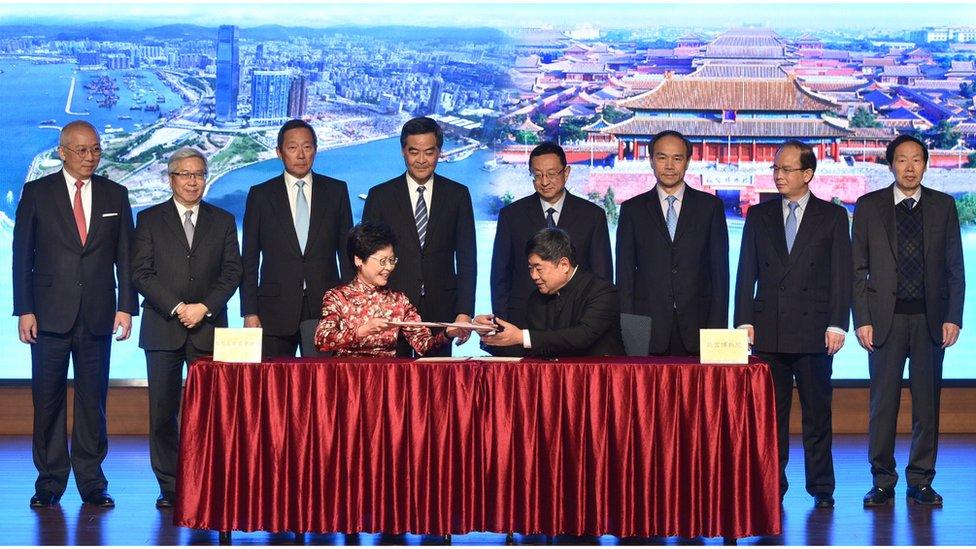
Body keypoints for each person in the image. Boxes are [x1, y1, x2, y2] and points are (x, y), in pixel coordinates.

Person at [13, 120, 139, 508]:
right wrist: (25, 309)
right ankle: (49, 482)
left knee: (92, 402)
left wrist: (126, 307)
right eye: (82, 150)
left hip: (99, 314)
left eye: (96, 149)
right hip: (48, 316)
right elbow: (22, 256)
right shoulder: (36, 193)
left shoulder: (116, 195)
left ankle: (92, 482)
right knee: (47, 400)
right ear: (62, 151)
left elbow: (125, 258)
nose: (90, 157)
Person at [733, 140, 852, 509]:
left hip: (816, 331)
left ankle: (822, 488)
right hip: (767, 330)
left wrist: (838, 323)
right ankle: (772, 484)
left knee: (818, 416)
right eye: (775, 169)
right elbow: (745, 272)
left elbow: (841, 276)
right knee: (771, 417)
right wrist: (742, 321)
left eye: (786, 170)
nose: (778, 175)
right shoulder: (758, 215)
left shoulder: (831, 217)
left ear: (807, 174)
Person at [853, 135, 964, 508]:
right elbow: (858, 270)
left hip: (930, 320)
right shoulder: (869, 207)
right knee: (882, 404)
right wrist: (861, 320)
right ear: (891, 165)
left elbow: (955, 268)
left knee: (926, 405)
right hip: (884, 320)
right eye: (902, 160)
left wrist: (954, 317)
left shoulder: (944, 206)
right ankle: (882, 481)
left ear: (926, 164)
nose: (910, 167)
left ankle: (921, 480)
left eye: (917, 160)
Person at [131, 148, 242, 508]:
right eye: (185, 174)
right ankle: (171, 485)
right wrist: (179, 308)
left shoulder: (223, 220)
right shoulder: (149, 219)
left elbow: (233, 272)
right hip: (164, 328)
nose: (193, 181)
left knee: (210, 411)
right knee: (163, 412)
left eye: (199, 174)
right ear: (171, 179)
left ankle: (206, 480)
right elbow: (140, 273)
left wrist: (205, 307)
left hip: (209, 329)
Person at [361, 116, 475, 356]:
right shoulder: (380, 196)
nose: (421, 160)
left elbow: (467, 258)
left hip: (442, 308)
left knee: (437, 386)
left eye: (429, 152)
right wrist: (371, 306)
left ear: (439, 152)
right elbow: (368, 260)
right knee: (393, 385)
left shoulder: (458, 195)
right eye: (414, 152)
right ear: (403, 151)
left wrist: (464, 312)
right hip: (390, 309)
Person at [241, 119, 353, 358]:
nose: (301, 155)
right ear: (279, 152)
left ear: (315, 149)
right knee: (275, 387)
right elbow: (249, 259)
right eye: (292, 148)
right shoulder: (260, 195)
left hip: (326, 307)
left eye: (307, 147)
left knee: (322, 386)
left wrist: (349, 306)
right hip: (273, 309)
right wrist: (249, 311)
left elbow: (346, 254)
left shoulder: (336, 191)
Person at [615, 130, 729, 356]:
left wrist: (717, 330)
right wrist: (628, 330)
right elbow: (625, 276)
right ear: (651, 161)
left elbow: (720, 275)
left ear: (687, 162)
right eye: (661, 157)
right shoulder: (632, 210)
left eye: (677, 158)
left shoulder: (710, 207)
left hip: (698, 324)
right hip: (646, 327)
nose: (669, 165)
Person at [490, 141, 612, 327]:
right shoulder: (511, 215)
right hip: (522, 319)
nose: (544, 181)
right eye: (537, 175)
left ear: (566, 172)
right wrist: (502, 322)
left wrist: (595, 321)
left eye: (552, 174)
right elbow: (500, 275)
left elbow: (602, 275)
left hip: (578, 320)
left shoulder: (592, 215)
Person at [315, 222, 464, 357]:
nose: (389, 267)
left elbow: (424, 346)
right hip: (347, 377)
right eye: (383, 261)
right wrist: (362, 331)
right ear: (359, 260)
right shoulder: (337, 297)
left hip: (386, 378)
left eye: (392, 260)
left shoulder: (398, 301)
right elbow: (322, 340)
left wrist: (447, 334)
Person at [476, 228, 624, 357]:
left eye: (538, 268)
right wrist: (489, 335)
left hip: (599, 378)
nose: (533, 276)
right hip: (553, 379)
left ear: (564, 265)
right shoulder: (537, 297)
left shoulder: (602, 291)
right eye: (530, 268)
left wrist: (521, 336)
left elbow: (582, 337)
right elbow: (528, 348)